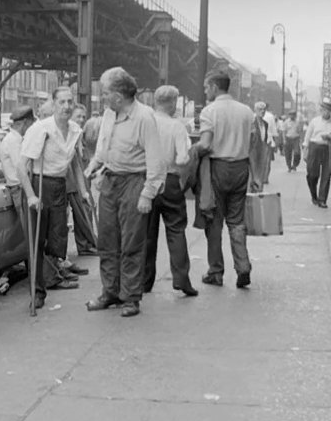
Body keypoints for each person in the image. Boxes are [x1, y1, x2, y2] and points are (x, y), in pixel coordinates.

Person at [84, 66, 166, 317]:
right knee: (107, 240)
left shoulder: (144, 117)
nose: (103, 98)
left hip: (134, 181)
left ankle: (130, 297)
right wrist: (93, 167)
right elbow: (103, 146)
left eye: (106, 93)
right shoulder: (110, 114)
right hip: (111, 179)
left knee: (131, 242)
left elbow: (156, 161)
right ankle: (110, 291)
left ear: (119, 95)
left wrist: (147, 194)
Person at [19, 86, 88, 309]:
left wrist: (84, 190)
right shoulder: (41, 129)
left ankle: (51, 277)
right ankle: (37, 292)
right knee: (37, 242)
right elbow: (22, 166)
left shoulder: (75, 129)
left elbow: (75, 163)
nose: (67, 107)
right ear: (54, 103)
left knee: (56, 242)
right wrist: (30, 195)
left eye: (70, 102)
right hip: (39, 184)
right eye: (62, 102)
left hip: (59, 185)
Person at [194, 71, 254, 288]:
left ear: (213, 86)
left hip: (217, 168)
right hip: (241, 167)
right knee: (237, 221)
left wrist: (190, 150)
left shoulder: (210, 111)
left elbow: (206, 144)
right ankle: (243, 266)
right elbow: (253, 143)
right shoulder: (246, 111)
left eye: (205, 87)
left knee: (214, 220)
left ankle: (216, 271)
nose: (204, 91)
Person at [143, 85, 198, 297]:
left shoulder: (145, 122)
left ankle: (144, 280)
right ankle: (181, 279)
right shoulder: (177, 127)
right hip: (171, 181)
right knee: (176, 231)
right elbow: (183, 158)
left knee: (147, 232)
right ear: (173, 103)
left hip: (147, 180)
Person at [0, 105, 36, 237]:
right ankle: (34, 258)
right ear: (26, 123)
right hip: (20, 189)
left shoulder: (16, 139)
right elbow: (21, 168)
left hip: (21, 188)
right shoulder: (13, 141)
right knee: (30, 229)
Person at [67, 103, 97, 256]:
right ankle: (86, 244)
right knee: (84, 209)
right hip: (73, 181)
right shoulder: (72, 135)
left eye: (83, 117)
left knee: (87, 208)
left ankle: (87, 242)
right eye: (78, 116)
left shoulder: (81, 136)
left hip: (82, 180)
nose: (81, 119)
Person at [303, 98, 331, 209]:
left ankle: (322, 200)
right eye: (324, 110)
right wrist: (305, 150)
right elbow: (307, 136)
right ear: (321, 110)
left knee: (326, 174)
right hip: (315, 147)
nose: (326, 112)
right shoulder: (314, 121)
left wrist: (330, 137)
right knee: (312, 174)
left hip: (329, 148)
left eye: (328, 110)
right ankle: (314, 195)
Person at [248, 102, 270, 193]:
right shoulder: (252, 123)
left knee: (260, 175)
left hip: (262, 151)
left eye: (264, 109)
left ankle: (258, 193)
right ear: (255, 110)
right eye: (260, 109)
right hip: (252, 151)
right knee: (252, 176)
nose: (262, 111)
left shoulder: (265, 124)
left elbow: (264, 138)